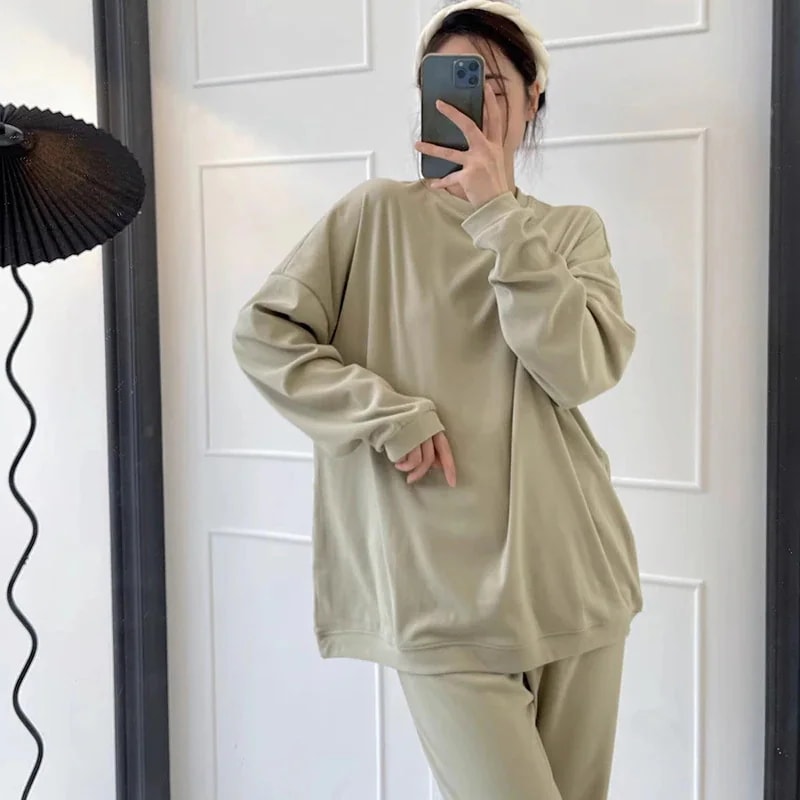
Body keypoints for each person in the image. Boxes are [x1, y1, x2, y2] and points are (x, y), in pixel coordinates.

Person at [232, 1, 643, 797]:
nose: (474, 98)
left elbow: (580, 370)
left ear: (533, 98)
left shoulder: (568, 232)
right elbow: (265, 335)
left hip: (575, 580)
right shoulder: (375, 215)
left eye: (493, 80)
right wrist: (387, 414)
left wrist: (499, 217)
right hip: (440, 599)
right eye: (451, 78)